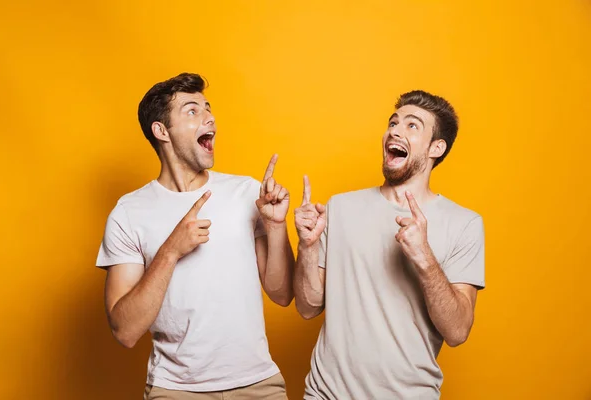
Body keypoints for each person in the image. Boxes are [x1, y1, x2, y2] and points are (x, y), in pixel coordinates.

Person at [96, 72, 293, 399]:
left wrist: (275, 227)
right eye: (192, 110)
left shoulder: (246, 193)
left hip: (259, 385)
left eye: (208, 108)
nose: (209, 116)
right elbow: (125, 330)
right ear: (162, 131)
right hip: (176, 390)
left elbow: (282, 293)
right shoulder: (129, 213)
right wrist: (170, 251)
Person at [294, 90, 485, 399]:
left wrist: (423, 257)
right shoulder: (340, 208)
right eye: (393, 123)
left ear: (437, 147)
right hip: (326, 394)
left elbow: (458, 331)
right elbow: (307, 307)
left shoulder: (464, 223)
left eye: (412, 125)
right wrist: (307, 246)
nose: (395, 130)